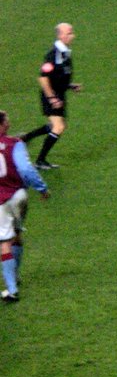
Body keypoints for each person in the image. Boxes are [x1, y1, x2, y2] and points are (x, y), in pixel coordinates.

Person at [0, 110, 49, 302]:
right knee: (17, 233)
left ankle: (11, 289)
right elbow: (26, 169)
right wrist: (42, 188)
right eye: (7, 120)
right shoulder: (15, 144)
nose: (9, 123)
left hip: (1, 201)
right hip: (19, 195)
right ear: (2, 124)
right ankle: (16, 275)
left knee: (4, 241)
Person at [20, 23, 81, 170]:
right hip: (51, 96)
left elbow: (58, 75)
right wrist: (52, 98)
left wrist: (69, 85)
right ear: (60, 35)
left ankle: (24, 139)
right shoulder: (54, 54)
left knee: (58, 126)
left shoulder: (65, 52)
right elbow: (43, 78)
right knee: (58, 127)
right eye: (69, 33)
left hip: (59, 94)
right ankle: (40, 160)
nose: (72, 35)